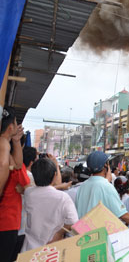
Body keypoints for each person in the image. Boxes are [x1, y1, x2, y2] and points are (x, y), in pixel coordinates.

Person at [75, 151, 129, 232]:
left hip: (83, 236)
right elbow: (123, 215)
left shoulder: (82, 187)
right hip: (99, 238)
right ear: (105, 165)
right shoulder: (106, 186)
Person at [22, 158, 79, 251]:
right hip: (52, 249)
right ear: (55, 175)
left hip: (29, 249)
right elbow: (73, 221)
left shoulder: (28, 193)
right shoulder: (63, 197)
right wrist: (59, 233)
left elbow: (42, 191)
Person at [0, 107, 30, 262]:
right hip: (7, 222)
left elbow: (17, 165)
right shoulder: (3, 145)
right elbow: (10, 165)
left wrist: (16, 141)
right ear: (10, 127)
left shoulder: (6, 145)